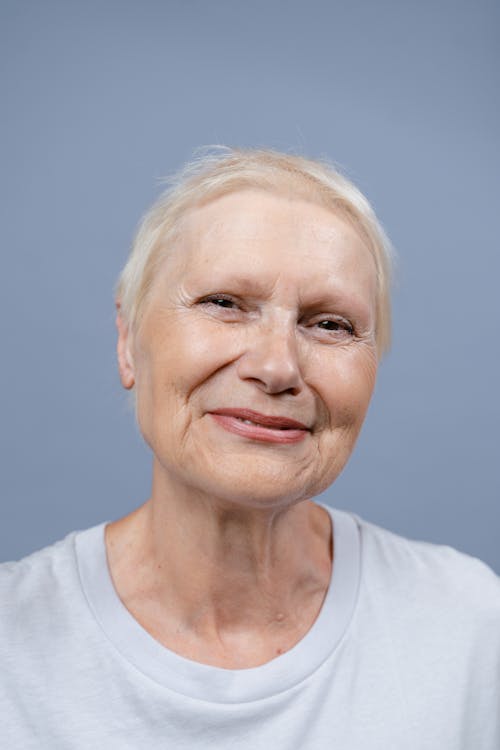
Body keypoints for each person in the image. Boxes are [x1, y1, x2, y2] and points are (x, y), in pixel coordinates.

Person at [1, 148, 499, 749]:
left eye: (330, 324)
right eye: (225, 304)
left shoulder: (471, 628)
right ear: (129, 342)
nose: (278, 366)